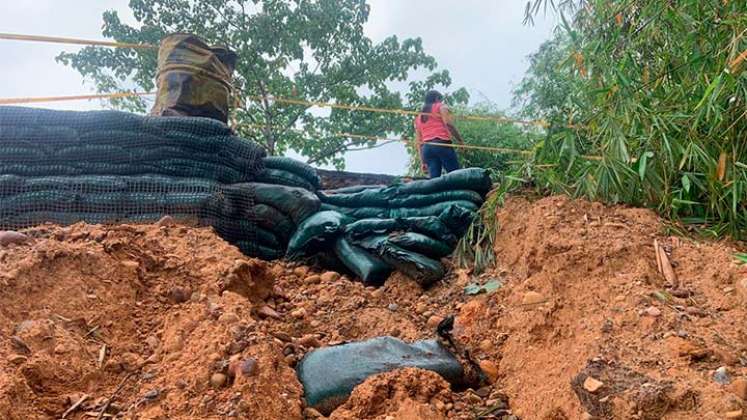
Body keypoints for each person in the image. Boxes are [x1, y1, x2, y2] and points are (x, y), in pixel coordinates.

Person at [414, 90, 464, 178]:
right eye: (441, 99)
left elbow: (419, 142)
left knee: (434, 180)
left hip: (427, 149)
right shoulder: (441, 107)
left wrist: (422, 161)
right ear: (437, 98)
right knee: (455, 176)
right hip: (441, 144)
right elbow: (448, 124)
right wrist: (460, 141)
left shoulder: (419, 118)